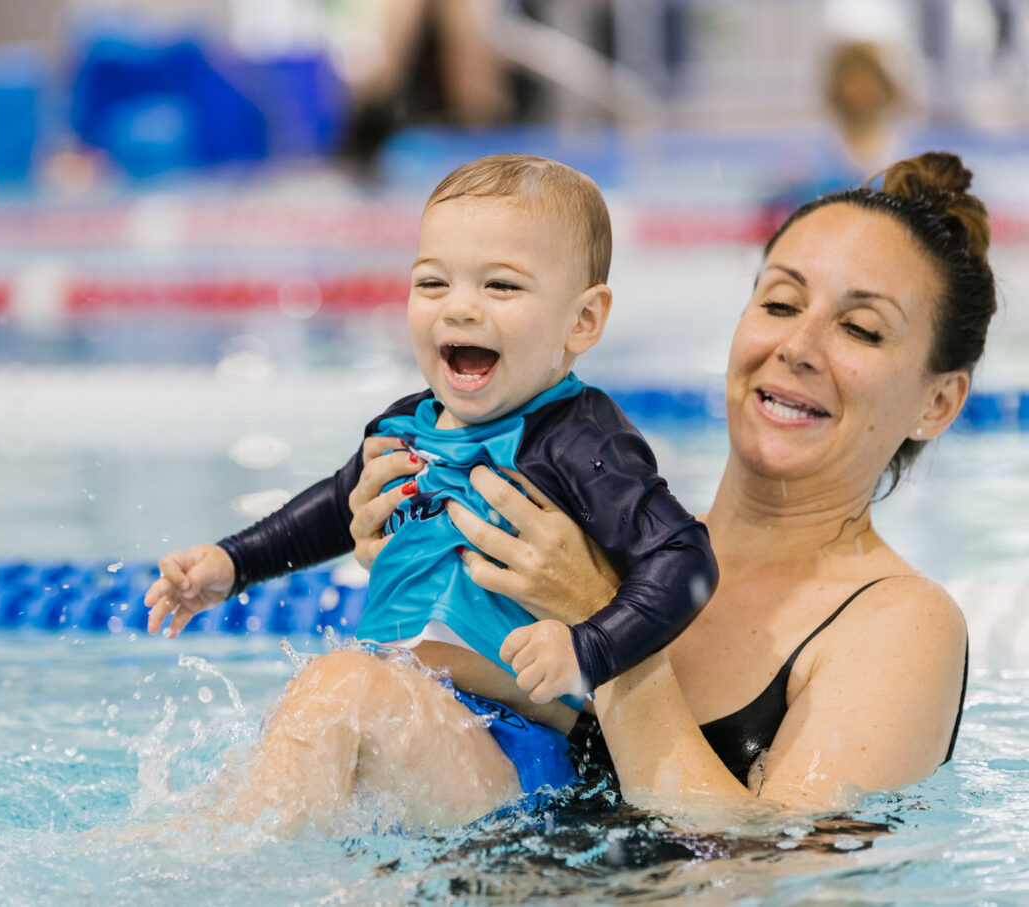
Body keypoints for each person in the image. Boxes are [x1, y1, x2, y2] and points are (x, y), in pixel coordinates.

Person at [350, 150, 990, 819]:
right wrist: (412, 544)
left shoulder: (901, 621)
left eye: (860, 328)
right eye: (779, 302)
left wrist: (602, 624)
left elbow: (778, 878)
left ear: (939, 403)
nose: (798, 345)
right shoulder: (587, 540)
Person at [144, 153, 716, 830]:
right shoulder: (407, 426)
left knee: (336, 688)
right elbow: (335, 505)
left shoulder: (580, 441)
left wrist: (591, 646)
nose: (461, 306)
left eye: (502, 286)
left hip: (519, 752)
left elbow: (685, 557)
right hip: (411, 723)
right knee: (297, 739)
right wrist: (233, 563)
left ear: (582, 321)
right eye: (433, 282)